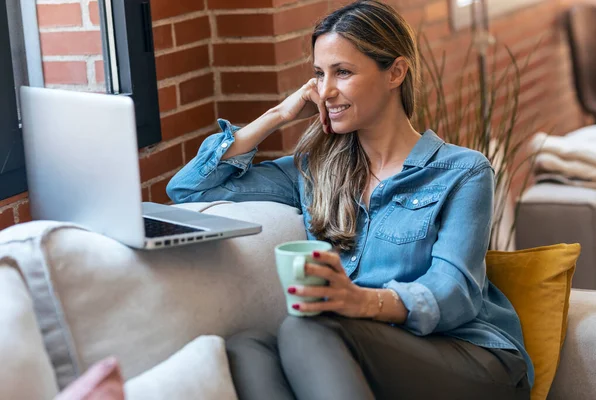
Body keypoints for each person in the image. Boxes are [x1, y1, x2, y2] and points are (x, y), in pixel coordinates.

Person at [166, 1, 533, 399]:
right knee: (245, 348)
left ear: (395, 72)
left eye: (343, 72)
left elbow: (453, 292)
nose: (325, 91)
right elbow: (190, 188)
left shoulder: (462, 171)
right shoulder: (316, 170)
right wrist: (278, 114)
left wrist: (359, 301)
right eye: (319, 74)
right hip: (360, 347)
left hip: (468, 355)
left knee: (307, 328)